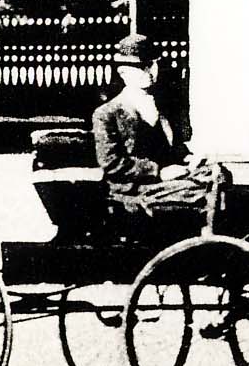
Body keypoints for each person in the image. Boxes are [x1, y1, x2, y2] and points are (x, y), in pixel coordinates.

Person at [92, 34, 230, 226]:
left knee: (219, 176)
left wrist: (189, 159)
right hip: (134, 190)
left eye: (156, 64)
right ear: (124, 72)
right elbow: (112, 164)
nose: (154, 71)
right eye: (146, 66)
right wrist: (159, 172)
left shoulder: (162, 107)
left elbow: (174, 148)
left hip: (168, 184)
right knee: (203, 193)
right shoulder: (107, 113)